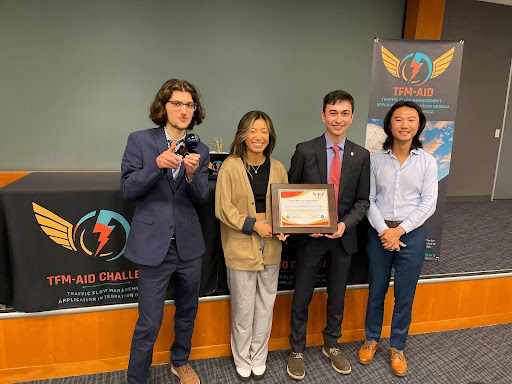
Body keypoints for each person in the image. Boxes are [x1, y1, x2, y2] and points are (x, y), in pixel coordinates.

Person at [121, 79, 210, 384]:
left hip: (188, 246)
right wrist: (156, 166)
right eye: (177, 103)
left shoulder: (200, 147)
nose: (184, 110)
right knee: (149, 321)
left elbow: (201, 198)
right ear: (163, 106)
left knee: (187, 311)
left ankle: (180, 362)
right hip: (152, 246)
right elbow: (127, 189)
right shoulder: (140, 141)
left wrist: (193, 174)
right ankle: (136, 378)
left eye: (189, 105)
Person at [286, 90, 370, 380]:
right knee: (303, 294)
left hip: (343, 237)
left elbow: (363, 201)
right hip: (310, 237)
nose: (338, 118)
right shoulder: (305, 150)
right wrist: (299, 222)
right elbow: (290, 192)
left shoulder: (361, 156)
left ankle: (331, 344)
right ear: (323, 116)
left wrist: (345, 225)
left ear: (351, 117)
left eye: (344, 113)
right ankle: (297, 348)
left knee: (337, 294)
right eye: (333, 113)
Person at [358, 101, 438, 377]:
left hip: (412, 235)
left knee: (405, 295)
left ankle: (398, 346)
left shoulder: (427, 161)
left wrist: (400, 231)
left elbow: (429, 203)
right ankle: (371, 339)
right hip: (379, 232)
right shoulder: (375, 159)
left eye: (411, 120)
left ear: (419, 125)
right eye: (399, 120)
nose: (405, 125)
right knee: (376, 291)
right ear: (389, 125)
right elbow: (368, 199)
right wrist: (385, 231)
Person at [215, 111, 288, 382]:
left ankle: (259, 356)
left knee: (265, 305)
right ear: (243, 135)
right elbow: (224, 208)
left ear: (270, 136)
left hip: (271, 248)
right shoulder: (230, 167)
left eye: (264, 131)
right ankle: (242, 358)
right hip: (240, 247)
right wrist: (253, 225)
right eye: (253, 131)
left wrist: (284, 228)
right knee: (244, 308)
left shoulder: (278, 168)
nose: (259, 136)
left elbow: (285, 207)